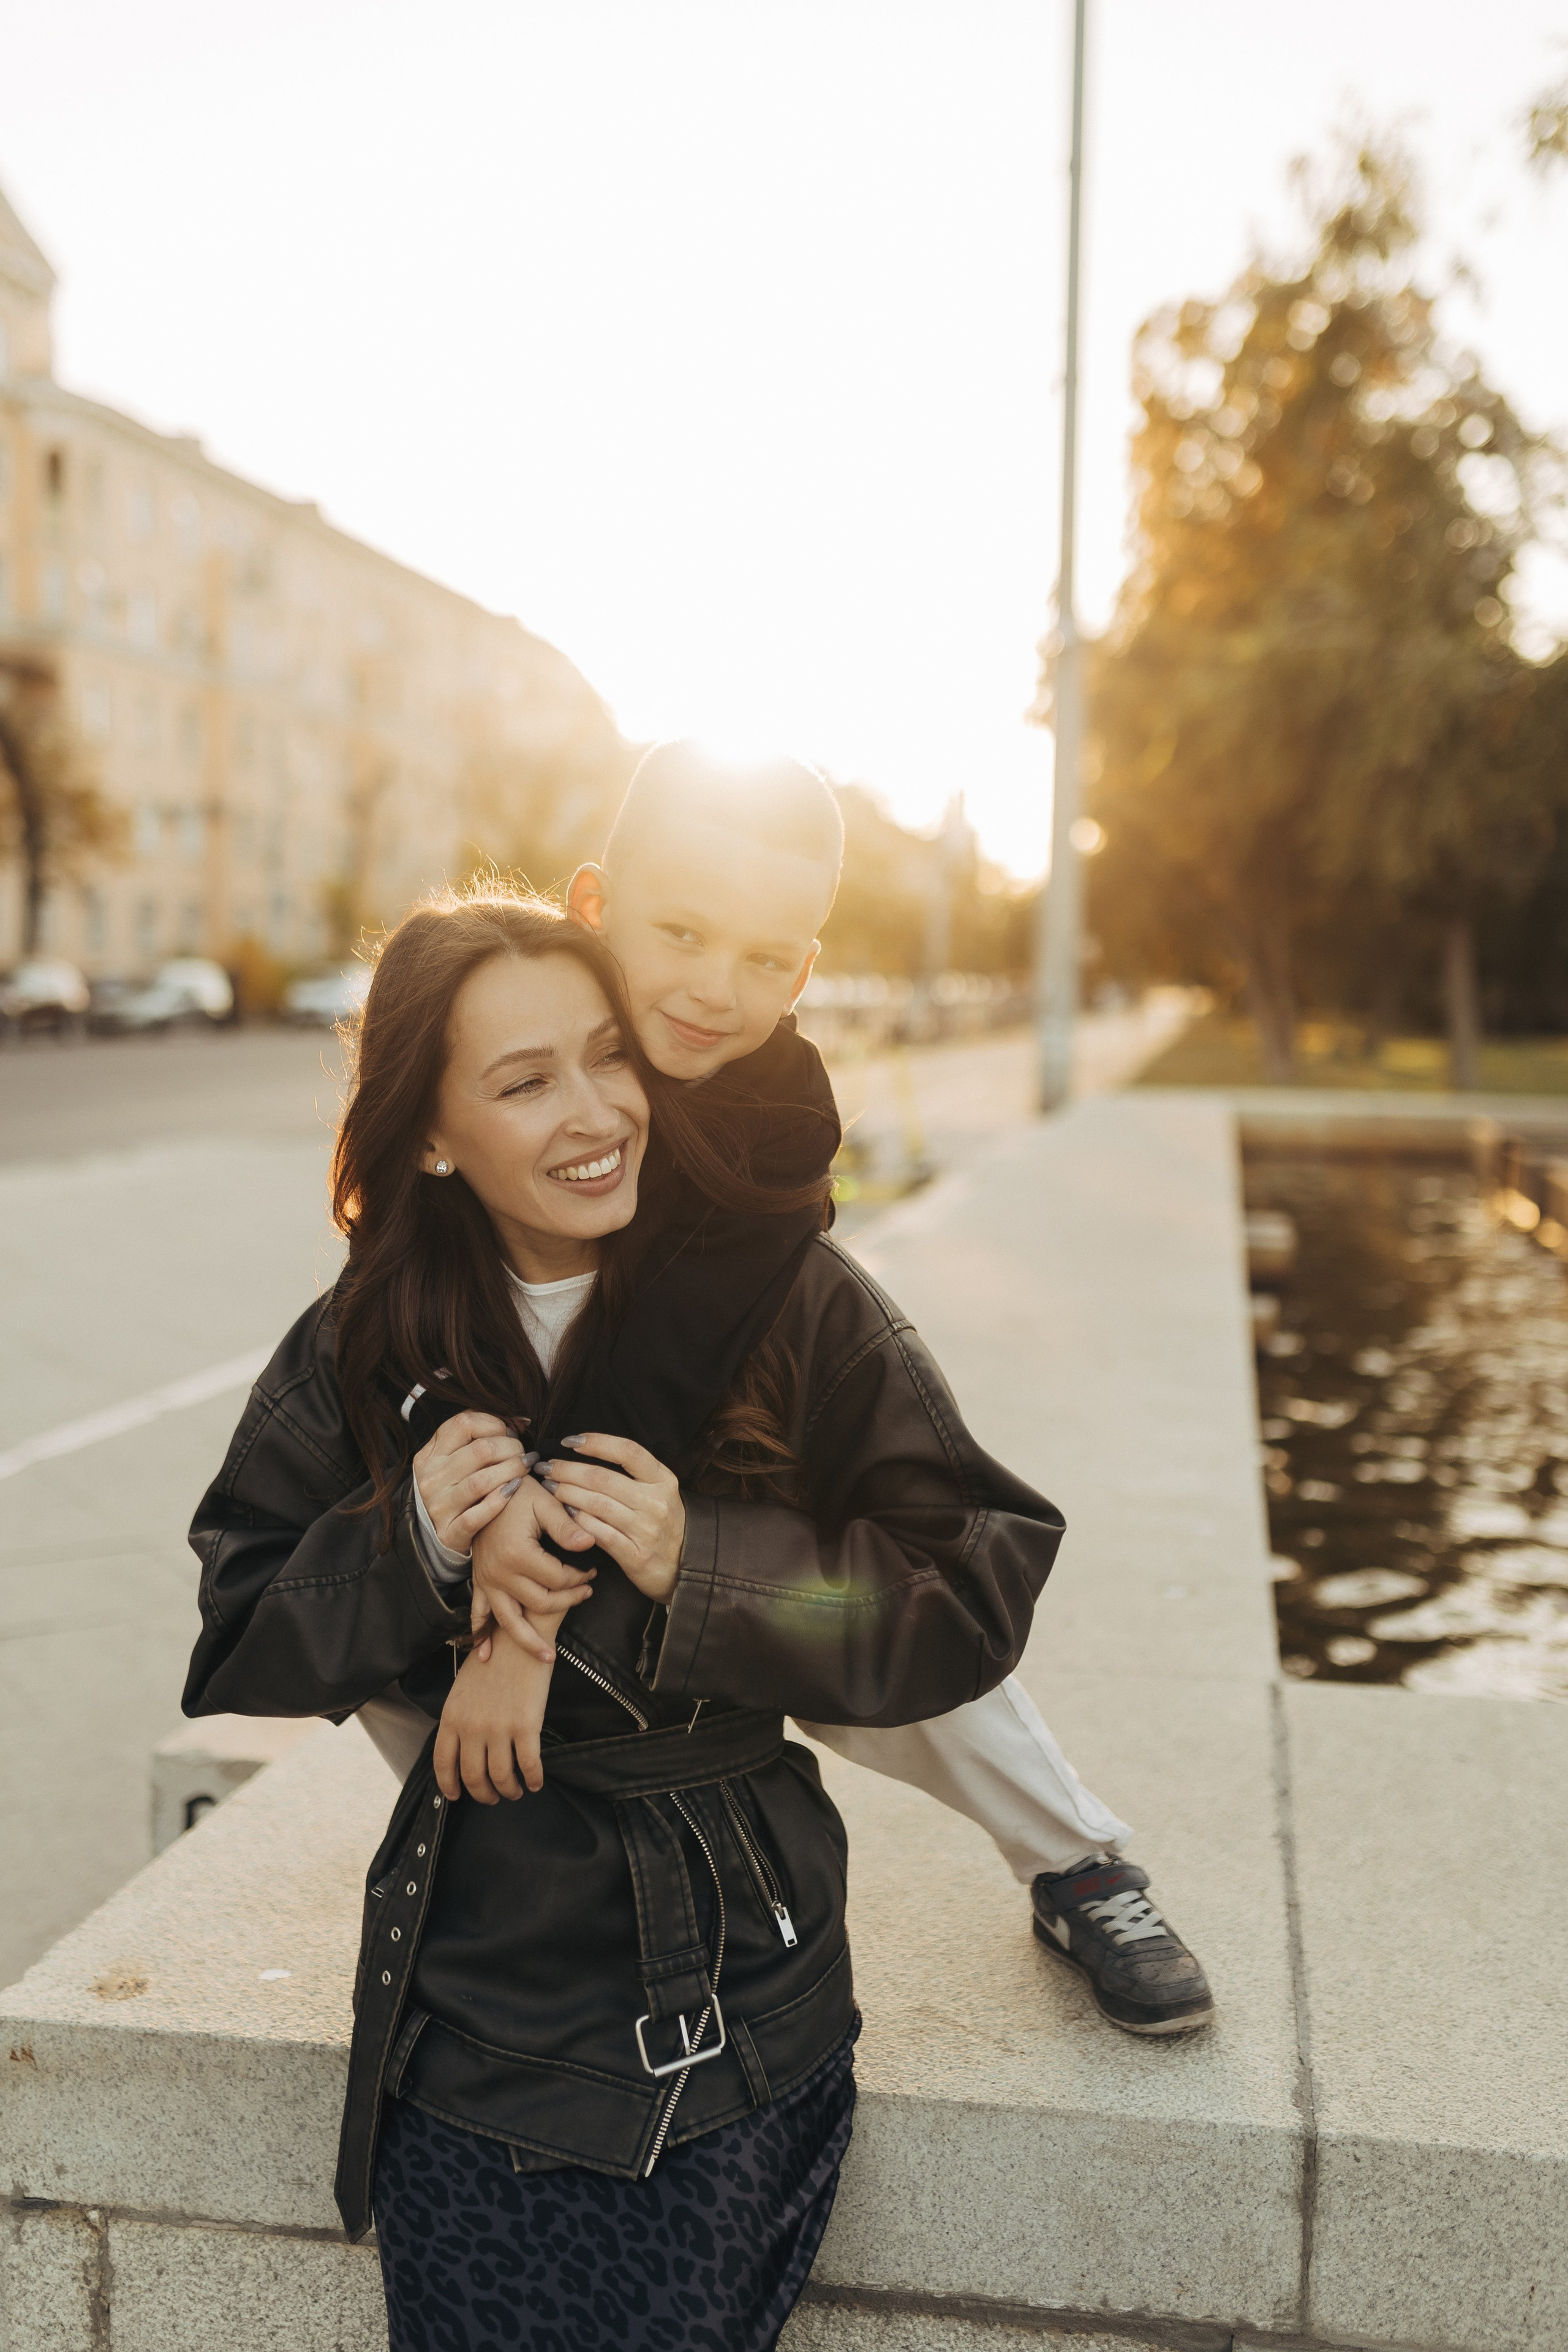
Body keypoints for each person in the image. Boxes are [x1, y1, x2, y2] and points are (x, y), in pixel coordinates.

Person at [183, 890, 1065, 2352]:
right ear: (429, 1132)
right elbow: (238, 1631)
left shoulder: (792, 1307)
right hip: (468, 2000)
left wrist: (701, 1560)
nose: (598, 1112)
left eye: (609, 1057)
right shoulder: (367, 1338)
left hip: (735, 1993)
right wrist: (407, 1541)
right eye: (525, 1082)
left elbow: (971, 1581)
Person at [552, 741, 1215, 2041]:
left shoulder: (792, 1240)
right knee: (400, 1573)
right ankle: (499, 1855)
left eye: (760, 958)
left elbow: (947, 1571)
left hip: (717, 1547)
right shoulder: (500, 1062)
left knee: (885, 1625)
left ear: (803, 972)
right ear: (592, 910)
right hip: (526, 1536)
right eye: (679, 931)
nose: (709, 987)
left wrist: (717, 1568)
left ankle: (1075, 1860)